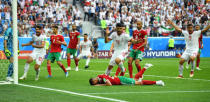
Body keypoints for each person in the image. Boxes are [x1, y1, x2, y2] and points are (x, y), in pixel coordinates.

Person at [89, 63, 164, 86]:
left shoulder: (101, 78)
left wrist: (99, 85)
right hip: (118, 78)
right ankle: (145, 67)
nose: (95, 81)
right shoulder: (100, 76)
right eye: (94, 82)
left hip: (121, 80)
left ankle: (158, 82)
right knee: (135, 79)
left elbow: (109, 84)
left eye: (94, 81)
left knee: (139, 83)